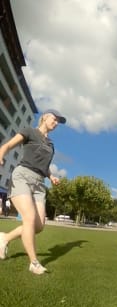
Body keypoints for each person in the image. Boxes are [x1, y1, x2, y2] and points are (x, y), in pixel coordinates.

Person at [0, 109, 66, 274]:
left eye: (59, 121)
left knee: (38, 226)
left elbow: (45, 165)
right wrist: (0, 155)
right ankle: (34, 263)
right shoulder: (30, 131)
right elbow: (7, 145)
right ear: (44, 116)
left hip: (39, 184)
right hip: (22, 176)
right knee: (29, 218)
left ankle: (4, 238)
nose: (56, 123)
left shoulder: (51, 145)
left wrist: (51, 177)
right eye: (54, 119)